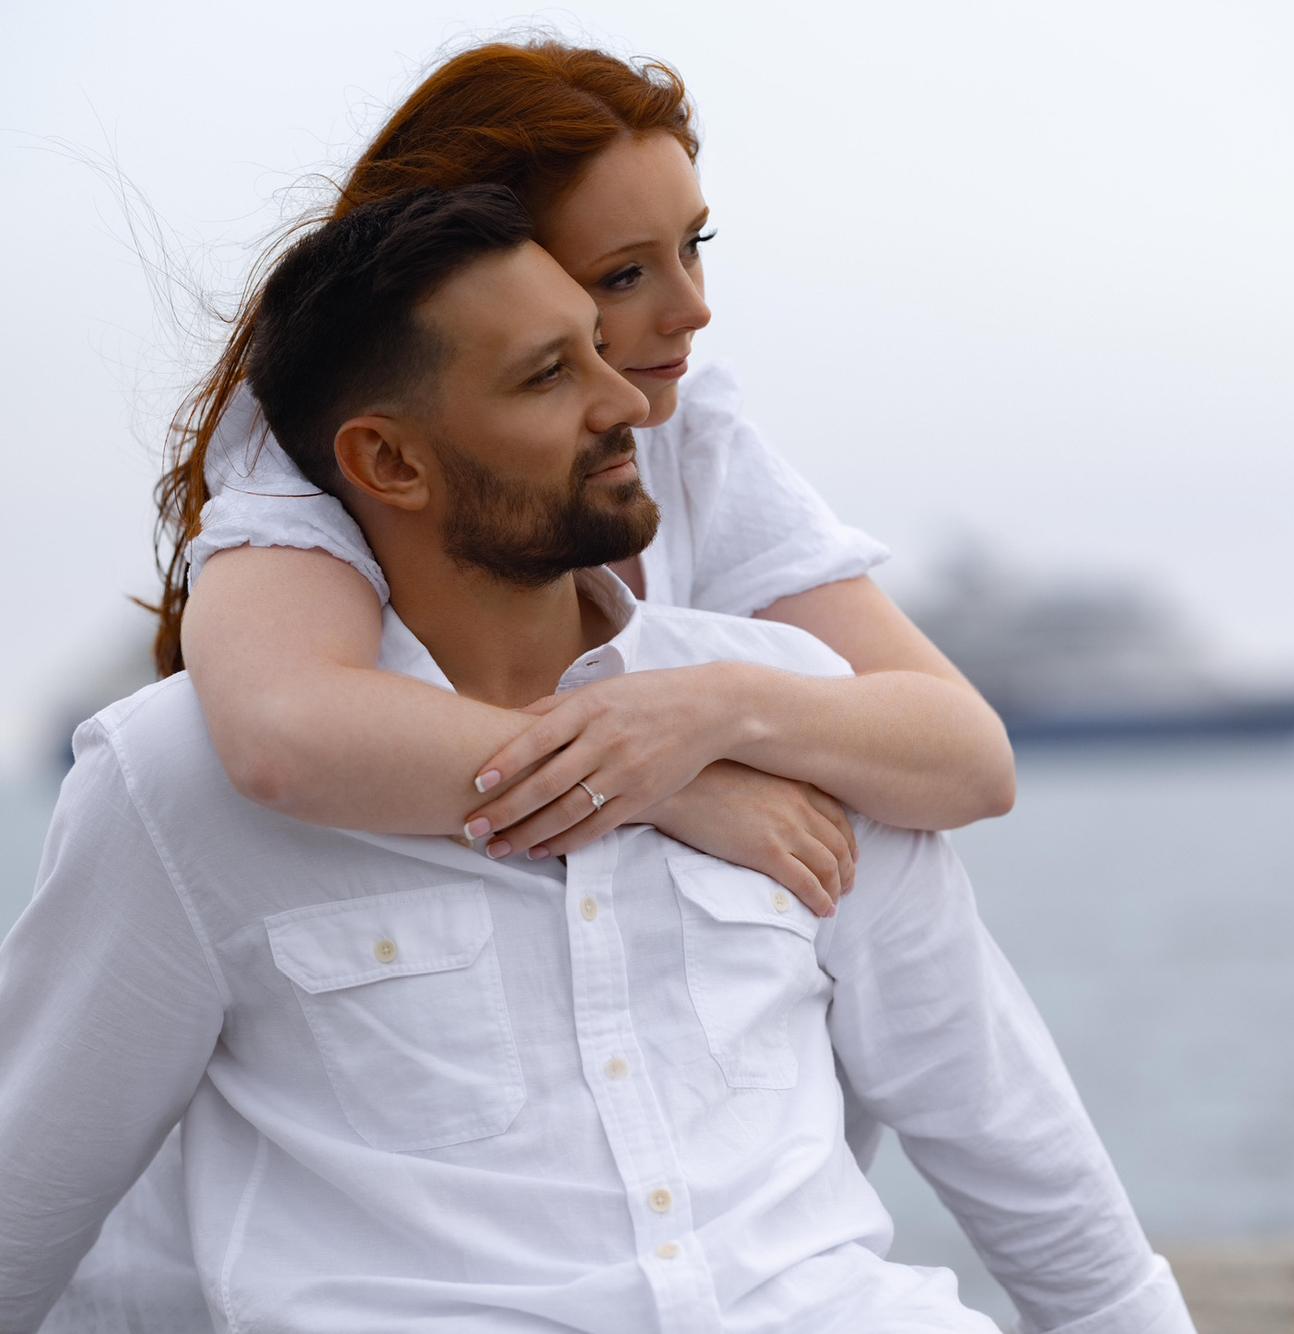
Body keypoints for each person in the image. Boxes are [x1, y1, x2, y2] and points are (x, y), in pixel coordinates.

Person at [0, 186, 1195, 1333]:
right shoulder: (181, 781)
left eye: (598, 349)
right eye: (547, 375)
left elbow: (1002, 1125)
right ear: (390, 463)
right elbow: (27, 1198)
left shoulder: (792, 713)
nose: (625, 400)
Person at [167, 39, 1016, 923]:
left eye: (694, 244)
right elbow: (284, 733)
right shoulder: (315, 471)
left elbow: (972, 763)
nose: (694, 308)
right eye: (624, 274)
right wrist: (668, 786)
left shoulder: (685, 440)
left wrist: (717, 712)